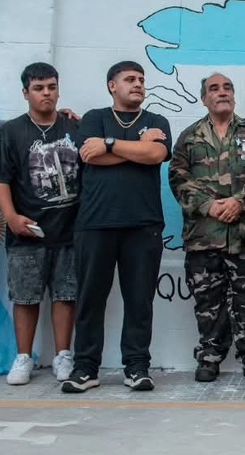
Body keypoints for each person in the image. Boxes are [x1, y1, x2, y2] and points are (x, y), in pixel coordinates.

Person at [61, 61, 171, 394]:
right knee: (90, 299)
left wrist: (109, 145)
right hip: (95, 223)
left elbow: (156, 154)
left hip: (144, 224)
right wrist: (136, 146)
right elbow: (90, 155)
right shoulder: (94, 118)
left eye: (141, 79)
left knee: (139, 301)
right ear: (112, 85)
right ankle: (85, 368)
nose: (138, 84)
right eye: (130, 79)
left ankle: (137, 367)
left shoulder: (157, 121)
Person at [0, 62, 80, 385]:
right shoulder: (10, 132)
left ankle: (63, 355)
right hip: (27, 231)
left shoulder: (74, 127)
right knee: (25, 298)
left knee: (66, 295)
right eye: (39, 88)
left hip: (69, 231)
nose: (46, 94)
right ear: (25, 93)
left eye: (52, 87)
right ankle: (23, 357)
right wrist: (11, 217)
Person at [170, 73, 245, 383]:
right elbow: (178, 179)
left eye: (227, 88)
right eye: (214, 88)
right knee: (208, 302)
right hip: (203, 236)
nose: (222, 92)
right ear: (204, 98)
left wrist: (240, 201)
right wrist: (209, 206)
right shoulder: (189, 137)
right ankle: (210, 356)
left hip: (244, 235)